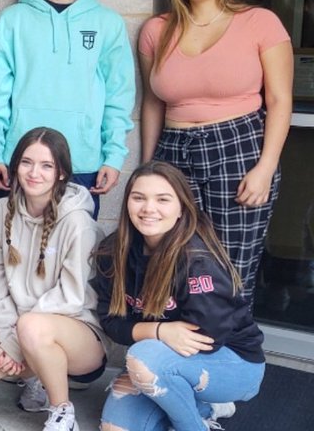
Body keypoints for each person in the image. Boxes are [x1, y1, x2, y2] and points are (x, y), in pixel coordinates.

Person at [138, 0, 293, 300]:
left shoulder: (259, 22)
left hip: (238, 147)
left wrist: (266, 167)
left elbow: (279, 99)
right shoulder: (156, 30)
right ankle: (183, 350)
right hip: (175, 150)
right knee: (173, 258)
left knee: (233, 263)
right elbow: (151, 101)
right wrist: (148, 167)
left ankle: (232, 351)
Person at [0, 129, 105, 431]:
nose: (34, 173)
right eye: (27, 162)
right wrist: (8, 333)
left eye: (46, 165)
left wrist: (15, 343)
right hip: (17, 324)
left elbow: (71, 296)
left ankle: (62, 413)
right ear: (15, 165)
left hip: (77, 331)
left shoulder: (78, 221)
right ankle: (35, 374)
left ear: (61, 173)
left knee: (32, 327)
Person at [94, 161, 266, 431]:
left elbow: (207, 338)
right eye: (138, 198)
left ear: (181, 208)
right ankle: (202, 405)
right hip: (158, 359)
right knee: (114, 428)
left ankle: (193, 423)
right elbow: (110, 321)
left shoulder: (197, 259)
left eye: (163, 199)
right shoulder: (113, 250)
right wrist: (161, 330)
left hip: (232, 363)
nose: (148, 209)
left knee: (142, 358)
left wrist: (149, 348)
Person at [0, 0, 134, 218]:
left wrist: (114, 156)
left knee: (73, 258)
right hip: (21, 162)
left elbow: (119, 96)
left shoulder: (108, 23)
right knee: (14, 255)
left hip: (82, 162)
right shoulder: (13, 20)